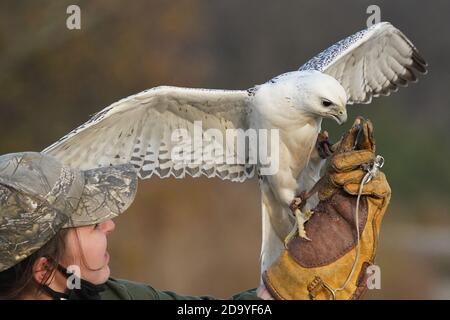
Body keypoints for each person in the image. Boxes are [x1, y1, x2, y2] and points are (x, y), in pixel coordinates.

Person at [0, 118, 391, 300]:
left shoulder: (107, 296)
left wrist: (279, 297)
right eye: (89, 224)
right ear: (45, 271)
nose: (110, 224)